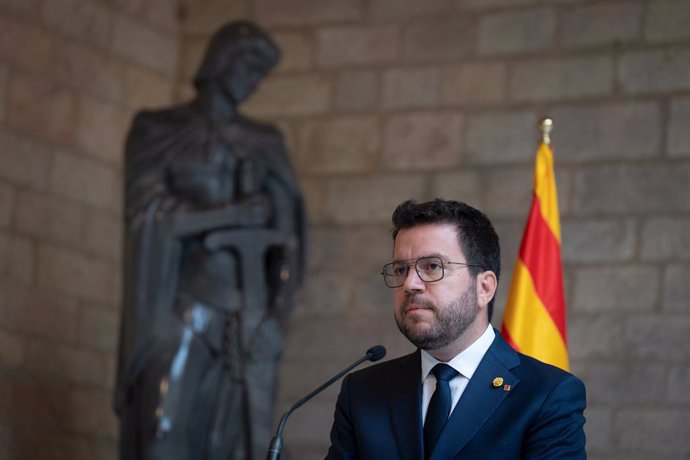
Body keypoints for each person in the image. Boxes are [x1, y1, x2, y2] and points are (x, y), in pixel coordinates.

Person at [114, 21, 307, 460]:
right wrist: (231, 214)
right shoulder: (158, 129)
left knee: (241, 443)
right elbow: (148, 212)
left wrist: (277, 313)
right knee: (161, 431)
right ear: (221, 60)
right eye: (248, 67)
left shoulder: (265, 142)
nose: (253, 82)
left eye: (261, 74)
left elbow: (288, 241)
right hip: (182, 304)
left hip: (249, 311)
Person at [325, 199, 586, 460]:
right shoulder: (361, 392)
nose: (410, 284)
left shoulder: (547, 395)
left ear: (484, 288)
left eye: (432, 267)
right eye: (401, 269)